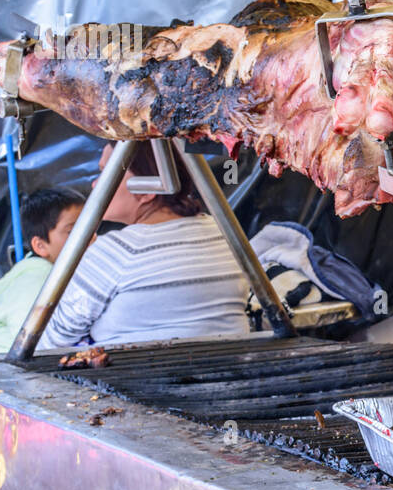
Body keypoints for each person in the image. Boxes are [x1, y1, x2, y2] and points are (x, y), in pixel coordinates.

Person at [40, 143, 251, 349]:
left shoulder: (116, 251)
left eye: (108, 173)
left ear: (147, 190)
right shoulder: (223, 233)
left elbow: (52, 341)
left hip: (130, 379)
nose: (96, 184)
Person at [0, 188, 85, 354]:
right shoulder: (37, 276)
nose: (90, 236)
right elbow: (32, 337)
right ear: (40, 245)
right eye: (72, 231)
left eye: (91, 227)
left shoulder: (60, 273)